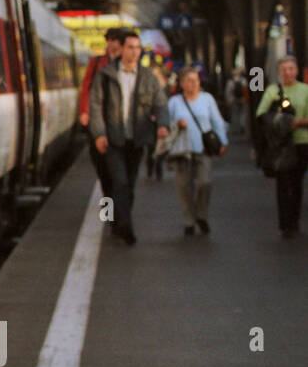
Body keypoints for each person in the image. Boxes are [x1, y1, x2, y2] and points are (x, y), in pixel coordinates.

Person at [89, 31, 170, 245]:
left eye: (137, 48)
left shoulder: (148, 77)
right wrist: (99, 133)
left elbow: (160, 103)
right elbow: (94, 105)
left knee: (128, 184)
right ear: (121, 48)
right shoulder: (103, 73)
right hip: (112, 139)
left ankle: (116, 221)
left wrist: (163, 124)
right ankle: (123, 225)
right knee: (117, 182)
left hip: (136, 139)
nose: (134, 52)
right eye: (130, 47)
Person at [166, 67, 228, 236]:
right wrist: (177, 124)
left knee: (204, 183)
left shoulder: (207, 99)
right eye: (190, 80)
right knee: (184, 187)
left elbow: (217, 121)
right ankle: (189, 221)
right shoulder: (174, 102)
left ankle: (201, 215)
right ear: (182, 83)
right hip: (182, 150)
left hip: (203, 148)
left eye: (196, 80)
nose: (194, 84)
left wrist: (223, 141)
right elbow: (165, 124)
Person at [254, 55, 308, 238]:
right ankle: (285, 224)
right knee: (283, 182)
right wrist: (282, 123)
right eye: (284, 69)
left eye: (291, 68)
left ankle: (295, 219)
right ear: (278, 72)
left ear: (297, 70)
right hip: (281, 145)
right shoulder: (272, 91)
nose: (288, 72)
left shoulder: (305, 90)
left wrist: (297, 122)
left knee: (297, 182)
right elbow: (261, 114)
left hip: (301, 141)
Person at [78, 28, 123, 196]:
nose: (112, 43)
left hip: (119, 121)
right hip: (98, 121)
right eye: (110, 39)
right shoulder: (96, 62)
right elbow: (86, 87)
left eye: (116, 39)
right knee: (102, 167)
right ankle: (108, 208)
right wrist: (84, 111)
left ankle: (117, 209)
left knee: (118, 171)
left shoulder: (126, 63)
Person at [144, 62, 169, 180]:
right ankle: (150, 169)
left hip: (160, 121)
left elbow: (165, 103)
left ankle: (159, 171)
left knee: (160, 146)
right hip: (149, 122)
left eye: (156, 73)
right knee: (151, 147)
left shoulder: (164, 85)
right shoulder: (145, 86)